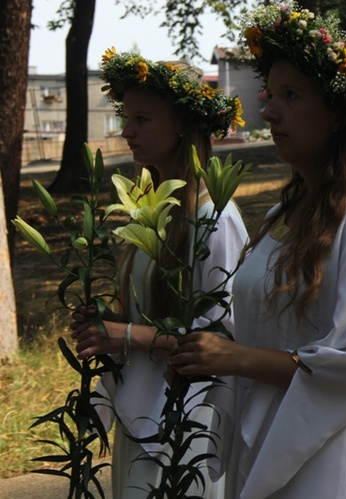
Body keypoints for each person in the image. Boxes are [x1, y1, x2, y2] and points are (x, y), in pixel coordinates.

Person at [168, 2, 346, 498]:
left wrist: (235, 359)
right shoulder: (283, 215)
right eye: (271, 94)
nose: (269, 110)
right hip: (271, 434)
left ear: (338, 115)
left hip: (335, 452)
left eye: (291, 96)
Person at [70, 49, 248, 499]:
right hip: (143, 417)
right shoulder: (152, 211)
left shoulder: (216, 220)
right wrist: (108, 320)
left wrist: (125, 335)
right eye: (126, 117)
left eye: (142, 119)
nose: (126, 131)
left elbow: (222, 344)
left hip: (187, 426)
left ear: (183, 127)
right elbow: (150, 314)